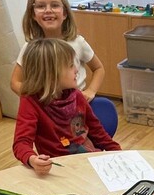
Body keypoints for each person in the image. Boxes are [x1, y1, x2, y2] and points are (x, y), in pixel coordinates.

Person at [12, 38, 120, 175]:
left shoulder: (77, 95)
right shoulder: (30, 101)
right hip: (59, 170)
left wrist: (119, 152)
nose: (76, 70)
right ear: (51, 74)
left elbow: (98, 132)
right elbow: (21, 142)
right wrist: (32, 159)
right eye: (70, 66)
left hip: (89, 162)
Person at [11, 0, 104, 103]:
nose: (48, 10)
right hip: (46, 108)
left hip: (76, 106)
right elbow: (15, 82)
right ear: (33, 14)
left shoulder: (77, 42)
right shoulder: (30, 47)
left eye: (54, 5)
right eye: (41, 6)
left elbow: (98, 68)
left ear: (64, 13)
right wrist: (34, 99)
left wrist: (91, 91)